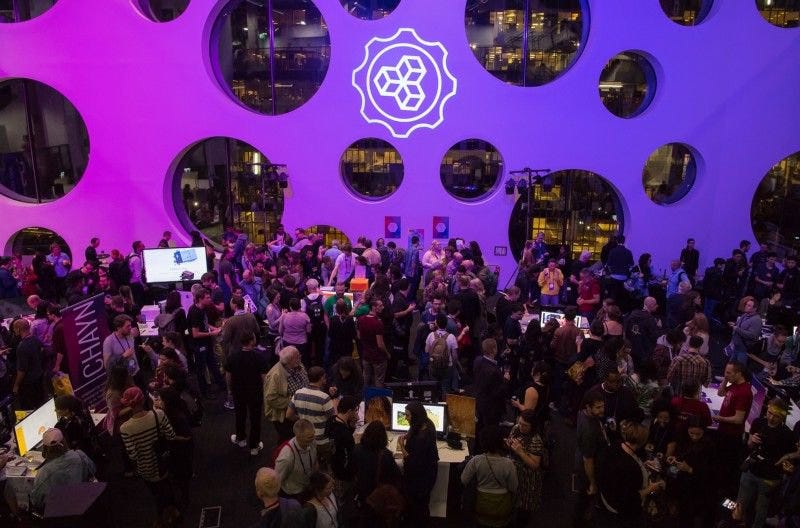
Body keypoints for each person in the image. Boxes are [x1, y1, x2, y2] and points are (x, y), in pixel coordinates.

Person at [736, 398, 796, 528]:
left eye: (776, 416)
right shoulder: (758, 422)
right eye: (769, 413)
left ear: (783, 417)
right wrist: (751, 441)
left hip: (769, 478)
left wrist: (785, 464)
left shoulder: (787, 435)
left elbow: (791, 456)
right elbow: (749, 445)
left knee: (761, 509)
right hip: (751, 470)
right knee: (740, 503)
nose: (771, 418)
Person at [119, 386, 176, 514]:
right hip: (164, 461)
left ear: (128, 405)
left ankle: (163, 515)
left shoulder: (125, 428)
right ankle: (173, 511)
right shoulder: (158, 414)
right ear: (144, 399)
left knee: (156, 494)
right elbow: (171, 436)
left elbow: (133, 456)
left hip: (146, 468)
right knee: (168, 487)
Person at [597, 422, 664, 528]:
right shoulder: (630, 467)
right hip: (622, 510)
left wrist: (643, 463)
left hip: (606, 497)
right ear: (643, 441)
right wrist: (650, 488)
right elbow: (631, 498)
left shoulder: (616, 445)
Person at [460, 425, 518, 528]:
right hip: (502, 509)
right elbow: (514, 487)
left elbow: (464, 480)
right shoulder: (508, 464)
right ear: (501, 443)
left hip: (481, 506)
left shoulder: (476, 461)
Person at [712, 361, 754, 497]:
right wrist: (726, 379)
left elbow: (738, 419)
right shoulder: (734, 384)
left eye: (729, 373)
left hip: (731, 435)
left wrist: (720, 418)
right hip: (723, 431)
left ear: (739, 374)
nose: (726, 374)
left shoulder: (744, 392)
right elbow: (720, 393)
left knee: (726, 464)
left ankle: (723, 491)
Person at [28, 428, 96, 512]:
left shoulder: (44, 473)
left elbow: (36, 501)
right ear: (64, 442)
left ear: (45, 449)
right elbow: (93, 471)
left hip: (59, 512)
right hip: (82, 504)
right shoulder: (80, 456)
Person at [351, 420, 403, 527]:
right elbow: (396, 476)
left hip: (363, 492)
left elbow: (352, 470)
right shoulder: (386, 455)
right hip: (379, 495)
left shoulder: (356, 449)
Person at [226, 332, 270, 455]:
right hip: (255, 392)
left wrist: (229, 390)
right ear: (251, 341)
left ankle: (241, 439)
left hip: (238, 391)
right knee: (255, 418)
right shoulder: (259, 357)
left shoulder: (233, 356)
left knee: (240, 415)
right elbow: (264, 378)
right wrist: (266, 392)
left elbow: (228, 376)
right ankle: (254, 447)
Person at [397, 401, 439, 526]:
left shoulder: (421, 439)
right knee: (423, 505)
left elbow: (412, 462)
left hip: (419, 480)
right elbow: (414, 429)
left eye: (407, 415)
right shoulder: (428, 423)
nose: (406, 418)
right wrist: (408, 435)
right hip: (428, 474)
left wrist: (402, 447)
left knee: (417, 506)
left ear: (415, 416)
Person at [573, 390, 609, 528]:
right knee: (584, 497)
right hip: (587, 469)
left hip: (582, 459)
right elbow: (588, 460)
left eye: (602, 406)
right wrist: (592, 482)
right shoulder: (589, 430)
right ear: (588, 407)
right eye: (598, 407)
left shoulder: (583, 413)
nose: (602, 410)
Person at [287, 366, 334, 465]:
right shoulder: (324, 398)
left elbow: (288, 415)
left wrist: (302, 419)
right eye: (324, 377)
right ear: (321, 378)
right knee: (327, 465)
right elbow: (333, 419)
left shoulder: (297, 393)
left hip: (305, 439)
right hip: (322, 440)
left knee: (309, 464)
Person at [507, 409, 544, 525]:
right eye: (520, 423)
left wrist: (521, 452)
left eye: (525, 425)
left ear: (532, 426)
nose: (521, 427)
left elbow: (535, 465)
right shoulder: (516, 428)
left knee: (523, 509)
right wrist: (509, 444)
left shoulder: (536, 440)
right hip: (514, 471)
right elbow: (511, 441)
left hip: (527, 479)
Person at [265, 346, 309, 442]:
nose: (300, 357)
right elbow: (271, 398)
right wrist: (293, 402)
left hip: (298, 411)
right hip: (284, 416)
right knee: (287, 439)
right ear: (289, 361)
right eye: (297, 356)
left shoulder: (299, 365)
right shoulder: (275, 375)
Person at [187, 288, 225, 398]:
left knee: (213, 364)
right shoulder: (195, 312)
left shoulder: (203, 308)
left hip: (205, 342)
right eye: (207, 298)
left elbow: (204, 324)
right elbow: (195, 334)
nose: (210, 299)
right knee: (201, 369)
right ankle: (204, 393)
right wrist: (212, 333)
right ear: (200, 299)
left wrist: (214, 329)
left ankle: (222, 386)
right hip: (199, 345)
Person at [473, 338, 510, 439]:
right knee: (491, 431)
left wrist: (501, 356)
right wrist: (506, 380)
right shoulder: (494, 371)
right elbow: (499, 392)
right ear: (493, 350)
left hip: (480, 401)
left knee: (480, 427)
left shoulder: (477, 361)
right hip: (492, 407)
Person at [325, 395, 358, 504]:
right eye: (355, 410)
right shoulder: (344, 434)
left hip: (331, 468)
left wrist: (352, 426)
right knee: (343, 500)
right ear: (349, 411)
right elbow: (350, 456)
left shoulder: (331, 421)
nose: (356, 413)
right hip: (343, 475)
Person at [275, 419, 318, 500]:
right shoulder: (286, 457)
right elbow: (277, 480)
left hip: (307, 486)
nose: (313, 439)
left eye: (313, 435)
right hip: (293, 494)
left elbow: (315, 460)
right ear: (298, 437)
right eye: (309, 437)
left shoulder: (312, 441)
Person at [11, 318, 45, 409]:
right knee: (40, 403)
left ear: (18, 329)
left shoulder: (22, 347)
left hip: (29, 383)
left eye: (14, 328)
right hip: (39, 377)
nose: (14, 330)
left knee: (29, 407)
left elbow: (22, 370)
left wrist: (16, 385)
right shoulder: (35, 339)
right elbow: (42, 350)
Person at [54, 394, 97, 459]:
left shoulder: (68, 426)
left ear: (66, 410)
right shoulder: (82, 413)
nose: (55, 410)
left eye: (57, 409)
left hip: (82, 456)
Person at [426, 312, 459, 395]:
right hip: (447, 366)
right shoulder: (451, 337)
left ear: (436, 323)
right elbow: (455, 356)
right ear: (446, 324)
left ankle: (435, 399)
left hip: (434, 365)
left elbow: (426, 350)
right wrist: (453, 366)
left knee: (434, 388)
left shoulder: (431, 335)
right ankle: (444, 400)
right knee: (445, 388)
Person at [358, 299, 390, 387]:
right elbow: (380, 345)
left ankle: (364, 395)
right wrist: (387, 354)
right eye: (380, 306)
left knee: (365, 379)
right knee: (379, 381)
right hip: (378, 357)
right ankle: (378, 396)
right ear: (374, 307)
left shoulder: (361, 319)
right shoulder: (378, 323)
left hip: (366, 355)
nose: (383, 307)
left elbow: (359, 336)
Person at [727, 295, 762, 365]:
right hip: (736, 346)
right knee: (731, 365)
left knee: (739, 368)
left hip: (743, 350)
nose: (746, 306)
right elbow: (740, 326)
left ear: (754, 309)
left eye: (749, 305)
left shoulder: (757, 320)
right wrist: (734, 324)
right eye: (746, 304)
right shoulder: (745, 314)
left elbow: (753, 335)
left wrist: (737, 329)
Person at [327, 299, 356, 368]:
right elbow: (354, 334)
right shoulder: (350, 319)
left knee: (336, 366)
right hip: (347, 347)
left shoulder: (333, 319)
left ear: (336, 309)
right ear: (346, 307)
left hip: (335, 347)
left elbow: (330, 334)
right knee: (347, 366)